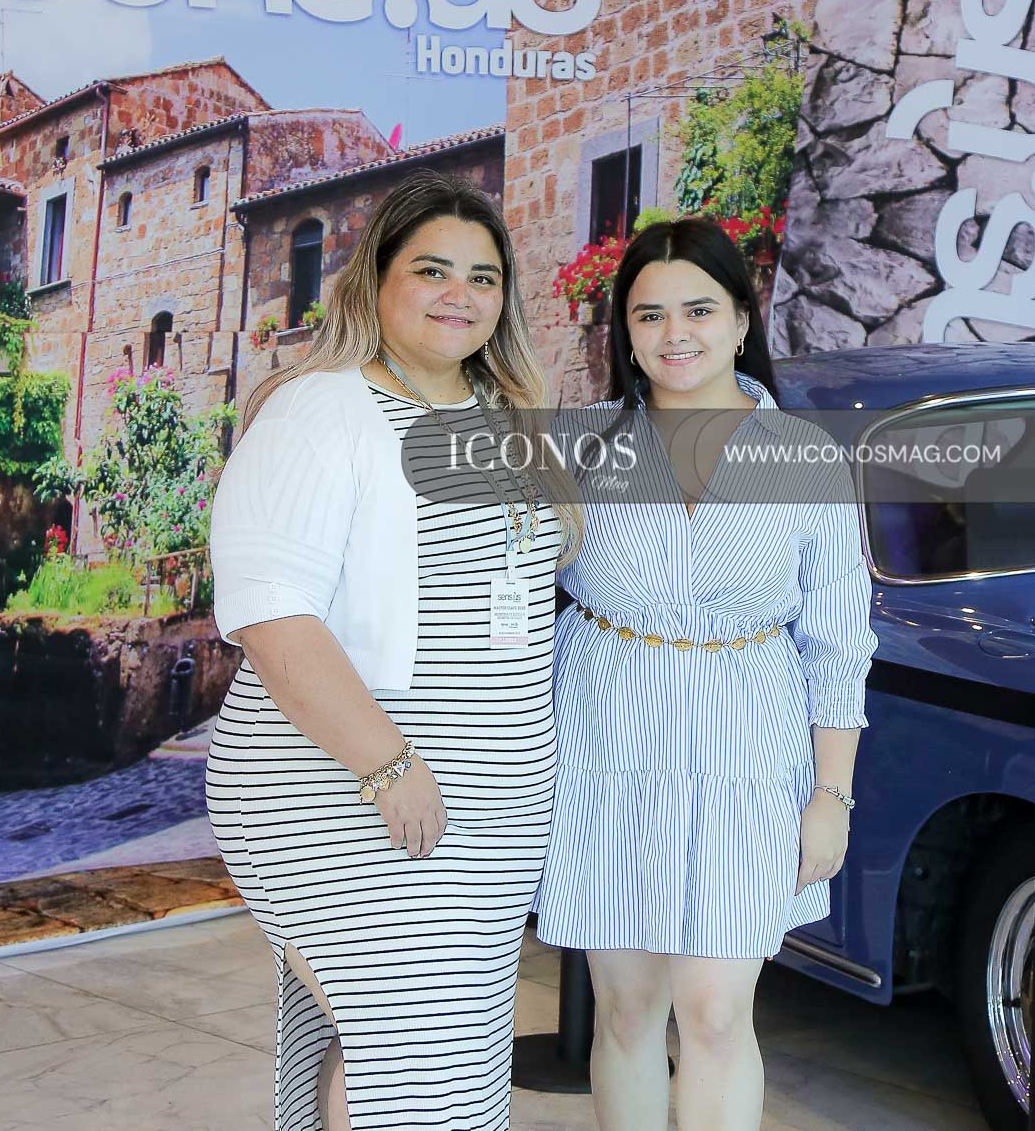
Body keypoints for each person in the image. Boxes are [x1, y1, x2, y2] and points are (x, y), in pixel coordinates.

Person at [206, 170, 579, 1131]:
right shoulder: (321, 409)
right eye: (432, 270)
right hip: (353, 784)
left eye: (484, 277)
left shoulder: (507, 419)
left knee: (430, 1054)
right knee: (406, 1051)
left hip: (486, 811)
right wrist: (388, 764)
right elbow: (272, 616)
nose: (462, 294)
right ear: (376, 281)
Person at [534, 217, 879, 1131]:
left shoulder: (805, 458)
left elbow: (839, 643)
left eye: (697, 310)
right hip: (607, 744)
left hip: (747, 750)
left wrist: (831, 796)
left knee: (718, 1012)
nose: (673, 334)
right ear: (625, 331)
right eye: (648, 315)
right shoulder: (582, 448)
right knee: (627, 1010)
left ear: (740, 319)